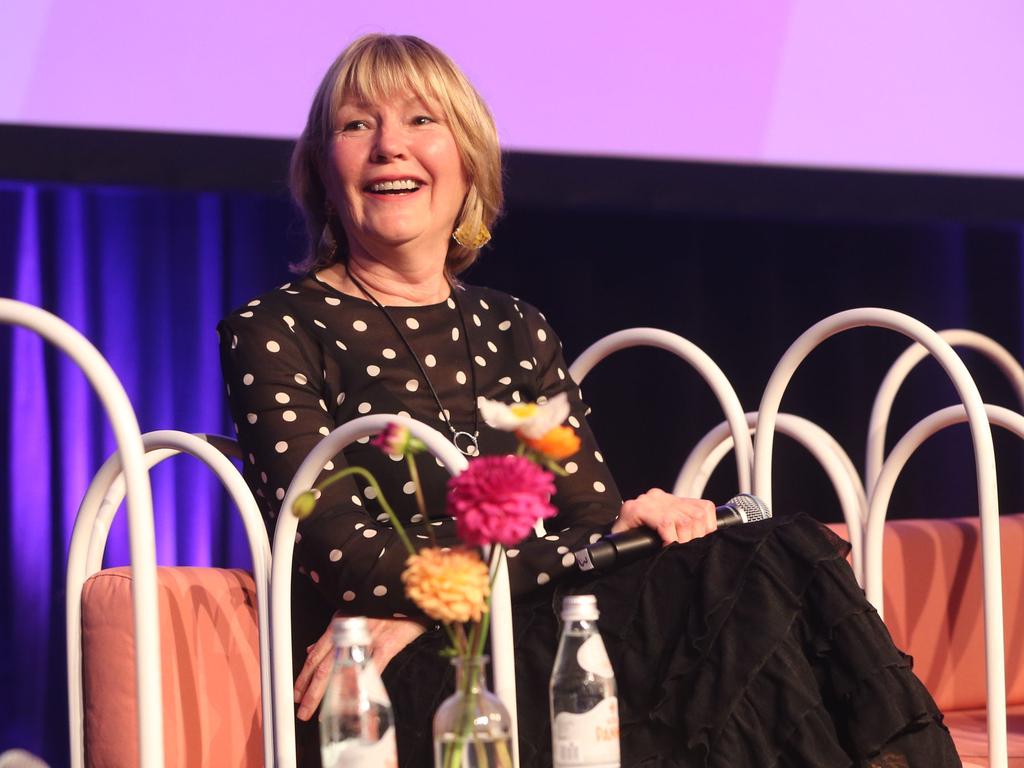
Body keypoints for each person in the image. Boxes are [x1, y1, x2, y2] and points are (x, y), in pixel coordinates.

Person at [218, 34, 960, 767]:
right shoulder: (274, 330)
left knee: (764, 552)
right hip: (408, 681)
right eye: (356, 124)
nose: (389, 146)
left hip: (541, 632)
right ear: (322, 169)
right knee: (752, 574)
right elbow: (351, 560)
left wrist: (597, 543)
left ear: (468, 159)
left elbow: (592, 518)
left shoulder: (514, 326)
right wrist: (505, 581)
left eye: (421, 120)